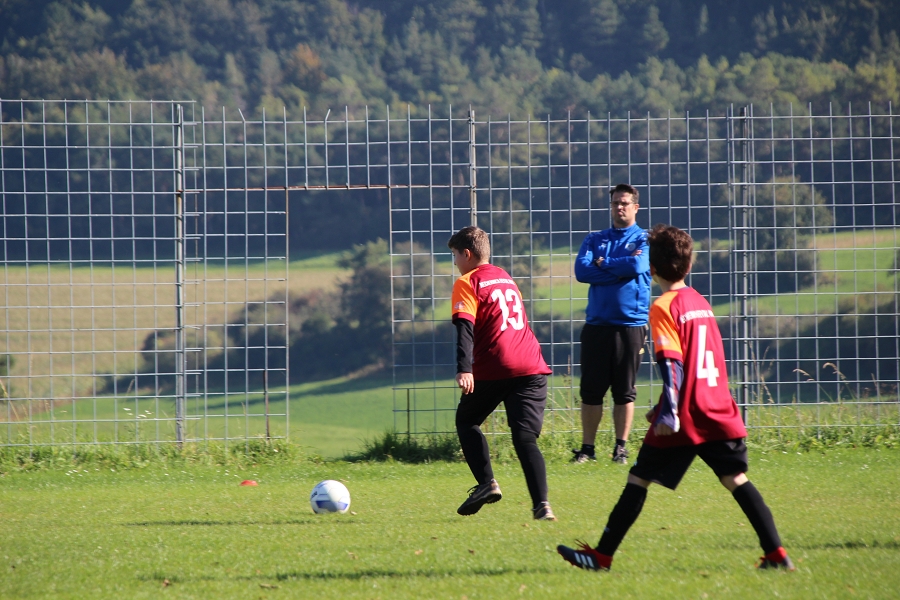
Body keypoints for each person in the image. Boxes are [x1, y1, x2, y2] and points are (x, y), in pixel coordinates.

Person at [557, 224, 794, 571]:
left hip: (686, 413)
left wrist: (668, 412)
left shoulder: (664, 307)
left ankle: (601, 557)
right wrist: (662, 405)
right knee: (735, 478)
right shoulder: (700, 301)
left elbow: (673, 363)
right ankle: (777, 554)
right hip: (718, 407)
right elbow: (700, 361)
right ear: (689, 264)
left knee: (638, 478)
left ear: (651, 268)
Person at [448, 226, 556, 521]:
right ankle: (542, 506)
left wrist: (464, 369)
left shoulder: (467, 282)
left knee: (466, 420)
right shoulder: (505, 277)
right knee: (525, 438)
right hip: (531, 364)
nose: (455, 263)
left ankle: (487, 483)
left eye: (455, 256)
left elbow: (465, 328)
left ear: (467, 254)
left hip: (497, 365)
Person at [573, 183, 651, 465]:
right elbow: (582, 271)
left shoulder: (645, 239)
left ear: (635, 207)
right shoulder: (595, 239)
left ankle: (620, 448)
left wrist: (603, 264)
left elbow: (637, 267)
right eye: (615, 203)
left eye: (624, 203)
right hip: (597, 326)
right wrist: (618, 270)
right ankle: (587, 449)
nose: (619, 207)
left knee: (624, 391)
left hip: (631, 325)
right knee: (591, 391)